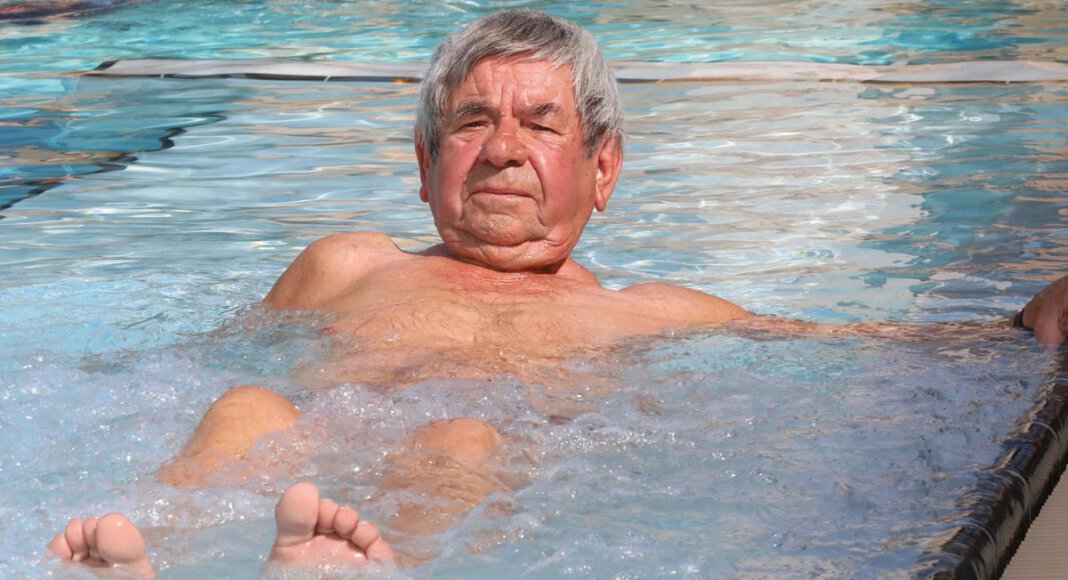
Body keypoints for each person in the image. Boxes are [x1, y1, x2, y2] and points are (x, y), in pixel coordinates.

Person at [47, 9, 1068, 578]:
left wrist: (1024, 320)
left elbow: (860, 342)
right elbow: (188, 362)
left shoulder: (654, 312)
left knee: (462, 440)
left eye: (540, 124)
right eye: (470, 123)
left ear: (605, 168)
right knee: (246, 408)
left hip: (456, 471)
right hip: (304, 443)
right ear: (421, 165)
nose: (500, 150)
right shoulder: (346, 264)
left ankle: (357, 570)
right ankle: (140, 568)